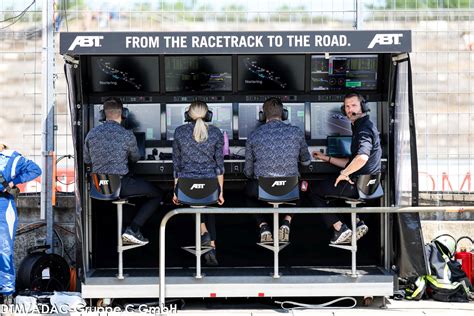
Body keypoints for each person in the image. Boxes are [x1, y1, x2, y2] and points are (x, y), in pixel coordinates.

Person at [84, 97, 162, 246]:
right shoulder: (127, 135)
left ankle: (123, 234)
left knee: (128, 195)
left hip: (99, 186)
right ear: (123, 114)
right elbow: (135, 157)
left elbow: (87, 160)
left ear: (103, 114)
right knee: (157, 194)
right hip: (120, 184)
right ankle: (133, 229)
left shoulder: (91, 134)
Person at [310, 92, 381, 245]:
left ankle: (340, 228)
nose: (350, 110)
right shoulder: (362, 126)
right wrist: (326, 158)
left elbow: (362, 157)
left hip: (357, 185)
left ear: (363, 107)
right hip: (368, 185)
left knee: (315, 191)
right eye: (347, 106)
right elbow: (352, 162)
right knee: (334, 188)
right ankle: (357, 222)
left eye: (354, 105)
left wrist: (344, 173)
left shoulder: (363, 130)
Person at [244, 97, 311, 243]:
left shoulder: (253, 135)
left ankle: (263, 226)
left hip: (263, 189)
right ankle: (286, 221)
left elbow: (248, 172)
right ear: (284, 114)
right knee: (302, 189)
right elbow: (306, 162)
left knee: (248, 192)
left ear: (263, 115)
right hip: (290, 188)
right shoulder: (296, 132)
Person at [172, 101, 224, 266]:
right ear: (209, 115)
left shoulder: (179, 132)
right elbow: (219, 167)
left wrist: (176, 190)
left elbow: (177, 166)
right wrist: (220, 191)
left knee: (195, 202)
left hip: (187, 185)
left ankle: (204, 233)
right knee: (208, 205)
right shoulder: (216, 133)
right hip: (209, 184)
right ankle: (211, 246)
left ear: (187, 115)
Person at [0, 143, 41, 298]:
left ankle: (7, 292)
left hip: (3, 206)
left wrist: (12, 182)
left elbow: (36, 169)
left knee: (4, 250)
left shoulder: (11, 158)